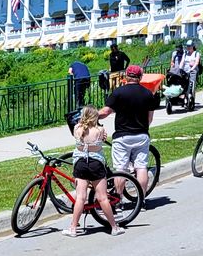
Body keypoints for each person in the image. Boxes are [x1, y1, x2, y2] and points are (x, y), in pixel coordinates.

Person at [99, 65, 159, 201]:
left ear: (126, 76)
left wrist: (92, 116)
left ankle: (118, 200)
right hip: (141, 135)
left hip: (122, 136)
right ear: (140, 77)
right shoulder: (148, 94)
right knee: (141, 167)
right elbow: (149, 119)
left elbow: (105, 112)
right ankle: (141, 200)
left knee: (121, 169)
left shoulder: (119, 92)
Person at [63, 105, 123, 237]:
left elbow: (80, 130)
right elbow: (102, 139)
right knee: (102, 197)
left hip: (80, 164)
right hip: (96, 164)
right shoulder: (100, 130)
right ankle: (114, 227)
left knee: (80, 197)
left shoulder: (77, 128)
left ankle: (73, 228)